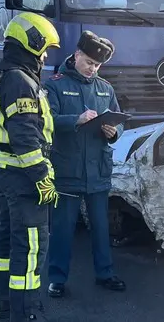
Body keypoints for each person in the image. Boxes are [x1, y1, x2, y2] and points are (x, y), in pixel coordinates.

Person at [0, 12, 61, 322]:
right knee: (31, 249)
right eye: (44, 49)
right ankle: (25, 313)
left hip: (4, 170)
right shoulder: (20, 80)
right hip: (22, 176)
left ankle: (6, 307)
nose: (45, 57)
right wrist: (42, 178)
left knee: (7, 243)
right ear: (32, 43)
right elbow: (25, 137)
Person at [44, 30, 126, 299]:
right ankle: (57, 278)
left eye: (98, 65)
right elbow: (46, 121)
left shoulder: (105, 88)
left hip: (98, 171)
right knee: (62, 229)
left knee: (101, 228)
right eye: (90, 62)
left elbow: (119, 121)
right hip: (68, 169)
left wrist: (114, 132)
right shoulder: (55, 85)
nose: (93, 69)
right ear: (77, 55)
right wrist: (75, 120)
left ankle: (105, 273)